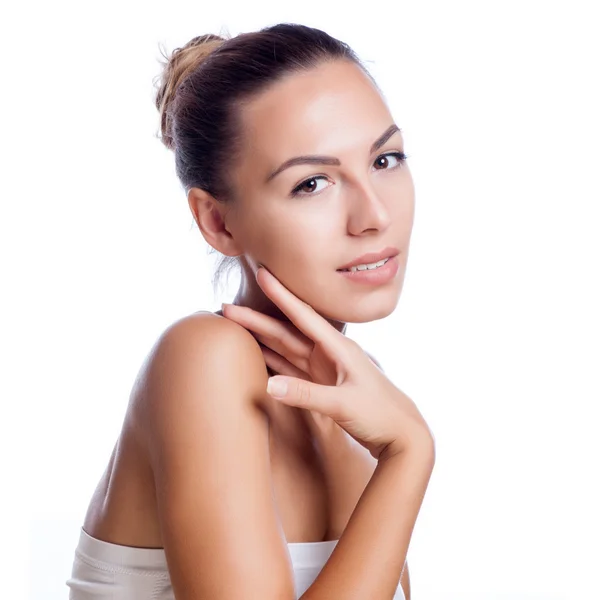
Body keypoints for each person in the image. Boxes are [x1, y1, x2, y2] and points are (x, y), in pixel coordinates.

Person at [66, 22, 435, 600]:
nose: (374, 216)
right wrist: (410, 454)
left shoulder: (360, 396)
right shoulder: (205, 360)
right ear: (218, 221)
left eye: (385, 160)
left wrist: (400, 448)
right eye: (313, 183)